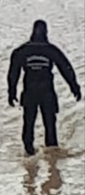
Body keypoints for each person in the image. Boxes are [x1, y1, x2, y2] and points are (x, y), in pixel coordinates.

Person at [7, 19, 81, 156]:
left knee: (28, 122)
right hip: (47, 91)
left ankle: (29, 153)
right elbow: (66, 68)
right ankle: (52, 153)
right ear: (46, 32)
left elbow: (13, 73)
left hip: (30, 91)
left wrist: (11, 92)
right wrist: (74, 87)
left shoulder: (21, 51)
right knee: (50, 123)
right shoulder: (51, 50)